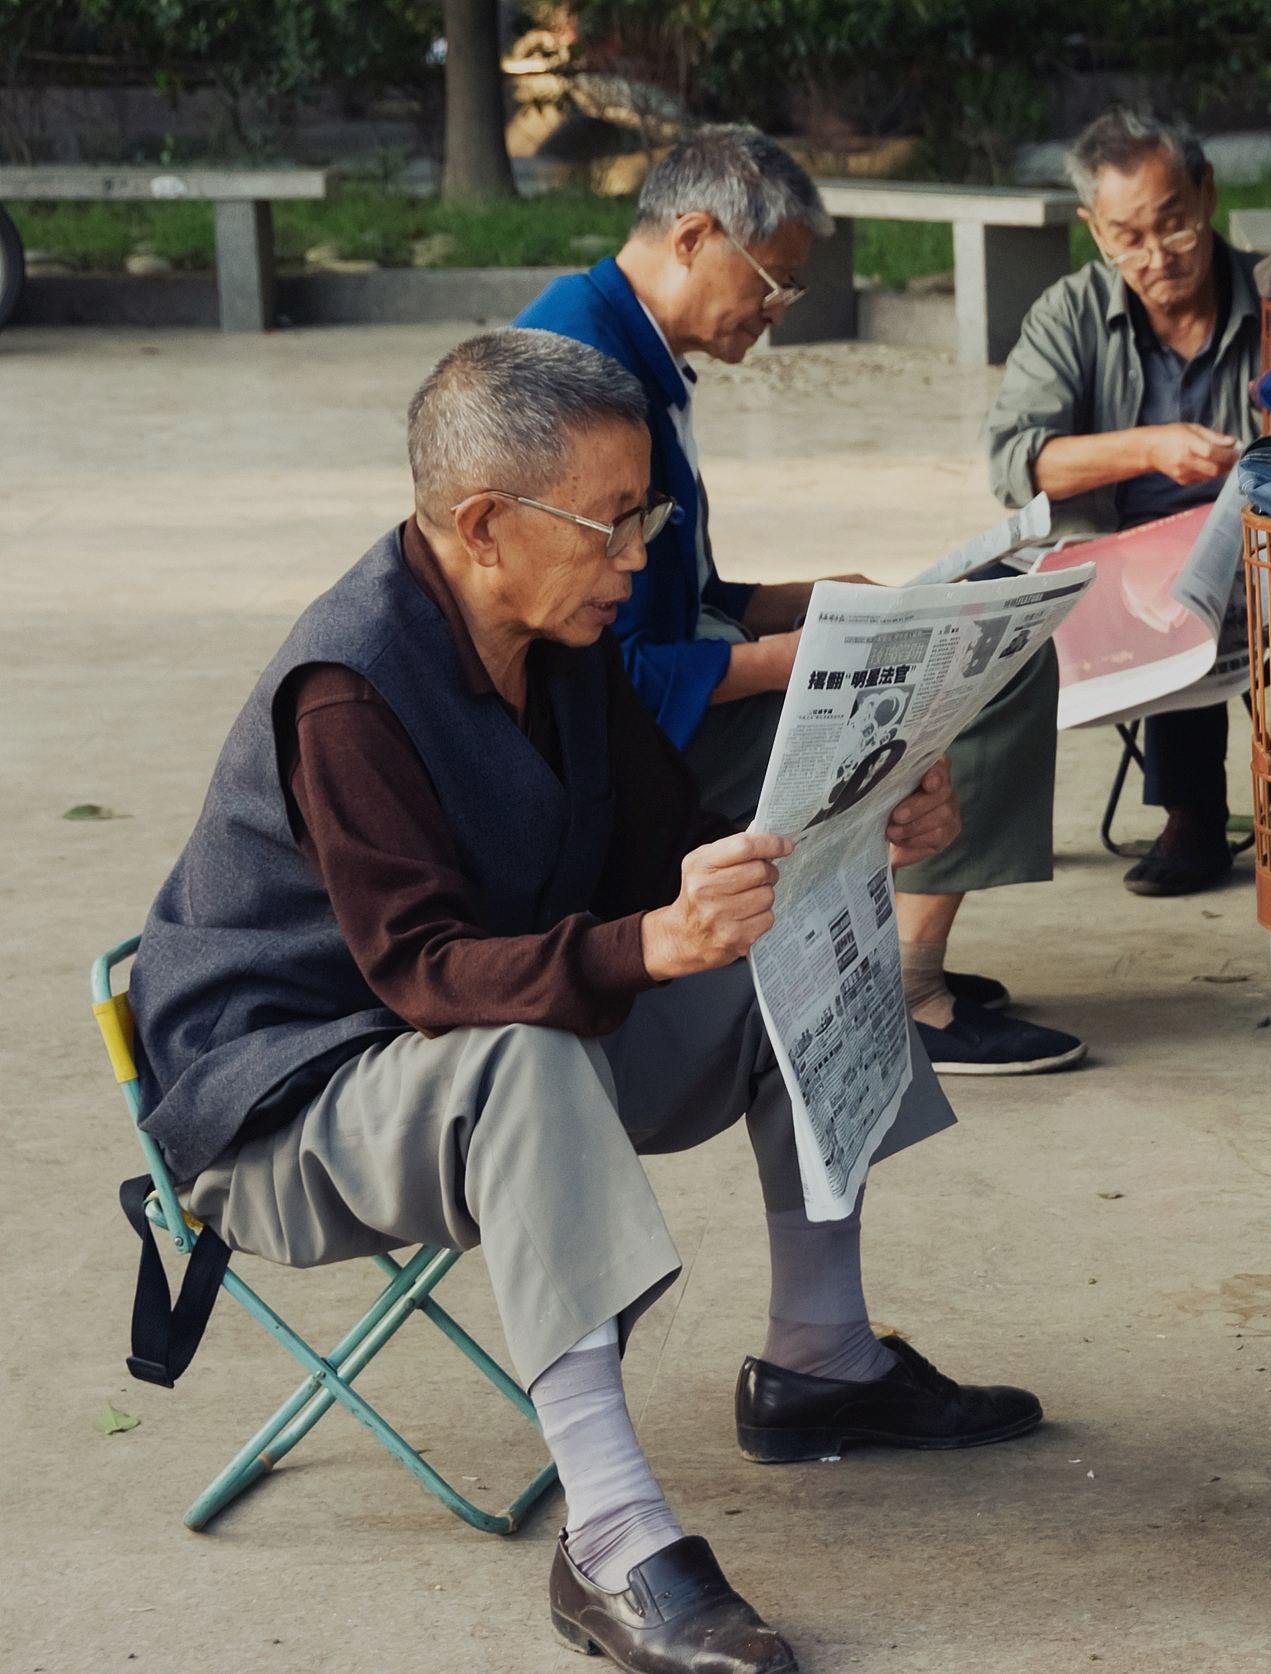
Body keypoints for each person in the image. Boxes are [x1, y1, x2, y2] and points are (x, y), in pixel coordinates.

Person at [129, 331, 1042, 1674]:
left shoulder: (560, 638)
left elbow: (660, 847)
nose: (638, 557)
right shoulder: (347, 688)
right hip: (291, 1094)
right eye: (612, 523)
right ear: (486, 524)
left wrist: (853, 820)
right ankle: (611, 1535)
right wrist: (647, 943)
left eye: (646, 515)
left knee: (792, 937)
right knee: (526, 1058)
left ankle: (822, 1357)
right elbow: (423, 974)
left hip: (464, 1042)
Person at [517, 125, 1085, 1075]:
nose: (778, 309)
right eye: (772, 280)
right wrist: (807, 656)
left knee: (982, 610)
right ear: (694, 237)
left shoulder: (626, 343)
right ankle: (910, 990)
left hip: (666, 687)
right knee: (984, 668)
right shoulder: (587, 376)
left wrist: (807, 599)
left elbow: (670, 596)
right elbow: (605, 669)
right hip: (614, 744)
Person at [984, 106, 1263, 897]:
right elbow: (1014, 460)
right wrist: (1148, 446)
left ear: (1205, 195)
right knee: (1161, 590)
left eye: (1172, 227)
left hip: (1269, 547)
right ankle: (1194, 815)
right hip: (1128, 554)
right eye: (1128, 237)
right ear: (1095, 230)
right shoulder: (1070, 313)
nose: (1156, 256)